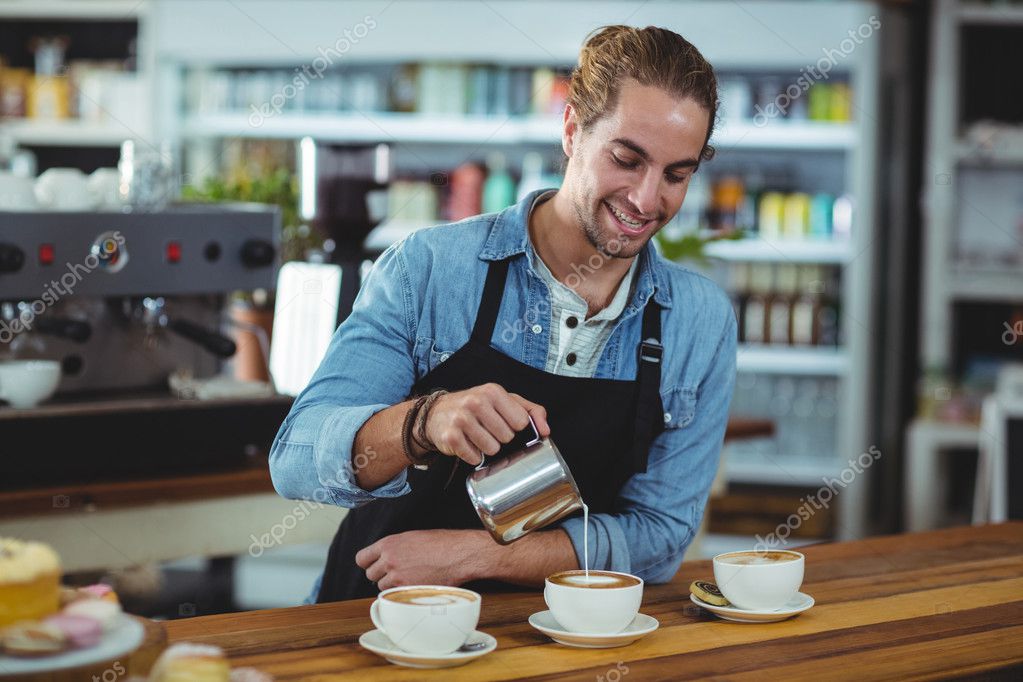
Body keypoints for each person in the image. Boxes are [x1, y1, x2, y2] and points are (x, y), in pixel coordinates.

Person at [270, 24, 737, 602]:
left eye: (676, 174)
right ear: (571, 129)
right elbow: (294, 459)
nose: (646, 200)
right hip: (380, 620)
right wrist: (424, 423)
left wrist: (476, 556)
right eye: (626, 159)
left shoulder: (699, 320)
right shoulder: (432, 268)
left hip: (557, 632)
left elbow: (660, 538)